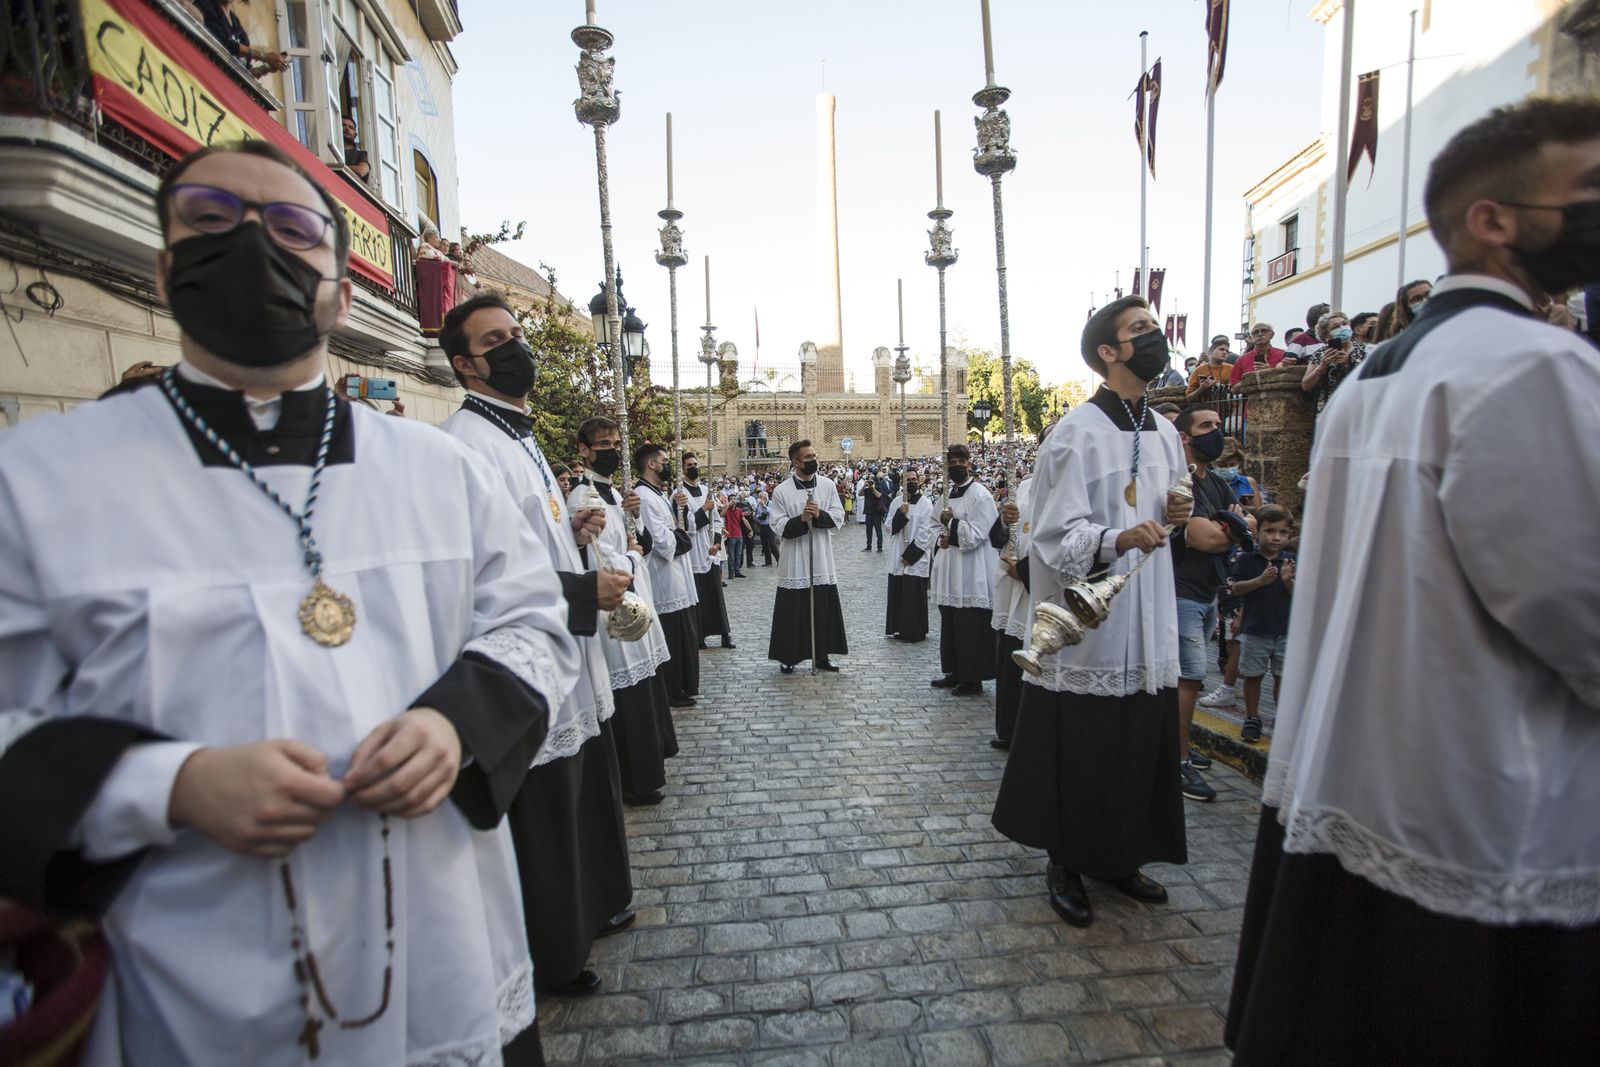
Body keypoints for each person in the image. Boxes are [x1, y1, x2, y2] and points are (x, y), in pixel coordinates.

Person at [0, 142, 577, 1065]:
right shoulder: (37, 479)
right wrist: (173, 784)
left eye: (293, 229)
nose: (254, 246)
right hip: (190, 968)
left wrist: (453, 728)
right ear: (166, 269)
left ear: (342, 292)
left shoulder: (440, 470)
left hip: (441, 938)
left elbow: (532, 624)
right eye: (214, 220)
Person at [1227, 97, 1600, 1064]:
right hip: (1487, 811)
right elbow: (1578, 603)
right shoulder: (1531, 367)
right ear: (1493, 219)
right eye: (1587, 190)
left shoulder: (1368, 382)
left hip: (1364, 781)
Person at [437, 293, 636, 1001]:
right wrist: (582, 593)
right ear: (465, 362)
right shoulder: (463, 444)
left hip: (567, 652)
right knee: (549, 807)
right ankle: (555, 949)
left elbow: (520, 545)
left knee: (582, 790)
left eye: (517, 333)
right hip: (527, 662)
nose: (518, 346)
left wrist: (573, 539)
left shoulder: (516, 432)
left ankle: (594, 909)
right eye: (497, 339)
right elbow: (475, 577)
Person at [992, 295, 1191, 929]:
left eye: (1155, 328)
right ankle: (1067, 861)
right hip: (1091, 623)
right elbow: (1051, 535)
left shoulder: (1163, 431)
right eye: (1140, 331)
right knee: (1082, 743)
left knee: (1136, 737)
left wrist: (1175, 518)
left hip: (1147, 613)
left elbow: (1167, 511)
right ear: (1109, 353)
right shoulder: (1075, 433)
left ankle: (1121, 855)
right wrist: (1117, 538)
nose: (1154, 338)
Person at [572, 416, 678, 807]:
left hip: (636, 596)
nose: (613, 451)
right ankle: (634, 780)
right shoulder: (583, 498)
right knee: (627, 691)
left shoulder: (615, 494)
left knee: (645, 683)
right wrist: (633, 557)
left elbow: (639, 543)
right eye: (603, 445)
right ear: (583, 450)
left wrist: (633, 521)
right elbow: (602, 559)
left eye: (617, 444)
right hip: (612, 608)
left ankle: (648, 768)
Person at [1170, 408, 1239, 803]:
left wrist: (1227, 529)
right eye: (1206, 426)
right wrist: (1229, 529)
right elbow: (1205, 538)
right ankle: (1177, 760)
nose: (1216, 431)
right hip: (1183, 591)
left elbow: (1246, 525)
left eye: (1218, 424)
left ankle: (1180, 744)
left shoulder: (1215, 482)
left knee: (1192, 681)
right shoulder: (1184, 485)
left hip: (1207, 592)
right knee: (1189, 679)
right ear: (1185, 437)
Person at [766, 440, 848, 673]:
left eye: (814, 455)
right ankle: (788, 656)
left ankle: (821, 654)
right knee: (793, 609)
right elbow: (777, 524)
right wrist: (800, 519)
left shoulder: (827, 485)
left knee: (821, 605)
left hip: (821, 556)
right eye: (808, 457)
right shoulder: (782, 491)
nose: (813, 460)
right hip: (794, 559)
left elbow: (839, 516)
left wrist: (819, 515)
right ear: (795, 461)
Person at [929, 444, 1003, 697]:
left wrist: (952, 525)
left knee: (969, 625)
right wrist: (942, 536)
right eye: (952, 462)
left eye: (961, 461)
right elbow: (932, 523)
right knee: (950, 622)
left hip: (972, 570)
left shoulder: (980, 495)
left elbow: (980, 534)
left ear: (969, 463)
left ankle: (972, 678)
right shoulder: (947, 496)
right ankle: (954, 671)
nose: (957, 466)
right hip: (950, 569)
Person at [633, 442, 700, 707]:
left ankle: (682, 686)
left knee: (682, 633)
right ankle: (673, 689)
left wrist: (677, 516)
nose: (667, 464)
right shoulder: (645, 497)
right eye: (663, 460)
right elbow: (661, 541)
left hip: (676, 575)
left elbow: (674, 526)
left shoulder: (657, 493)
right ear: (651, 464)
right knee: (672, 635)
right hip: (663, 577)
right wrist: (680, 538)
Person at [989, 437, 1041, 750]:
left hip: (1041, 593)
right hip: (1015, 595)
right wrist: (1003, 521)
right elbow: (999, 537)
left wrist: (1025, 570)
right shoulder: (1025, 487)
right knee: (1010, 665)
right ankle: (1009, 731)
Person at [1226, 504, 1295, 744]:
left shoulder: (1291, 561)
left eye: (1282, 532)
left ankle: (1282, 718)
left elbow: (1300, 594)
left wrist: (1287, 582)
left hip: (1285, 629)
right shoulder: (1247, 559)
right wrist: (1260, 581)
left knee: (1282, 677)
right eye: (1270, 531)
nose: (1276, 537)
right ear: (1258, 533)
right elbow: (1235, 587)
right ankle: (1252, 717)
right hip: (1256, 628)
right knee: (1253, 676)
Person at [679, 451, 732, 650]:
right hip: (693, 552)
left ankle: (725, 634)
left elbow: (717, 521)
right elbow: (686, 525)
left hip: (710, 551)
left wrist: (717, 543)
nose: (694, 467)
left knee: (716, 595)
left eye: (695, 463)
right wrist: (704, 509)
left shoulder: (704, 489)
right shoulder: (680, 494)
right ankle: (699, 635)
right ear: (683, 468)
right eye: (689, 465)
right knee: (698, 595)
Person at [885, 470, 937, 643]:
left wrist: (911, 556)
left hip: (916, 557)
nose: (912, 482)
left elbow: (927, 532)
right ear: (902, 482)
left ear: (919, 482)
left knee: (913, 596)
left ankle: (915, 630)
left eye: (914, 479)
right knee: (900, 594)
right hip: (898, 552)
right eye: (908, 480)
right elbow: (888, 526)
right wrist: (900, 514)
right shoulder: (896, 502)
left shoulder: (926, 504)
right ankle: (899, 628)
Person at [192, 0, 288, 77]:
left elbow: (246, 71)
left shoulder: (235, 22)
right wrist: (265, 56)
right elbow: (224, 45)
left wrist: (266, 68)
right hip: (207, 76)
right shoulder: (206, 5)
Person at [1300, 310, 1368, 414]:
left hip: (1360, 405)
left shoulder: (1365, 350)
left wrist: (1350, 362)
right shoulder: (1321, 354)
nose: (1343, 328)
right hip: (1331, 408)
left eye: (1344, 324)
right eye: (1336, 327)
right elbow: (1306, 385)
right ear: (1326, 335)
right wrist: (1322, 366)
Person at [862, 468, 889, 551]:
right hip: (868, 512)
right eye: (869, 479)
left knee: (878, 531)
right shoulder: (866, 489)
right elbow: (860, 494)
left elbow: (879, 495)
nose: (870, 481)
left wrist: (873, 488)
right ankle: (868, 546)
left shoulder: (878, 487)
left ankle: (879, 547)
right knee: (868, 531)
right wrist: (864, 486)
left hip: (876, 512)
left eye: (871, 480)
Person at [724, 495, 748, 577]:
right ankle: (731, 573)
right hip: (731, 535)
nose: (733, 500)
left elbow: (744, 520)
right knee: (731, 556)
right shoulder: (726, 510)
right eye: (731, 499)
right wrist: (728, 505)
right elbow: (721, 514)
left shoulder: (739, 510)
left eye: (734, 499)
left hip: (739, 535)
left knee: (738, 555)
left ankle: (737, 572)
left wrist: (750, 529)